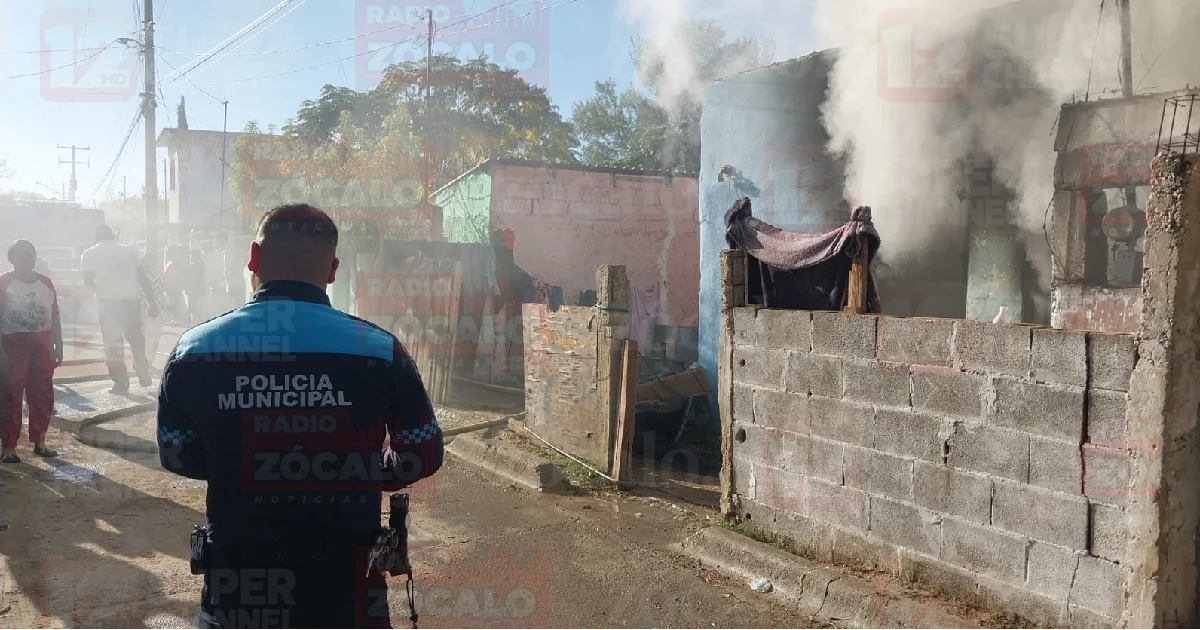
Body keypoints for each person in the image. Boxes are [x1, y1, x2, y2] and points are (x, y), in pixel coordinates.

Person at [156, 204, 444, 630]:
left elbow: (176, 454)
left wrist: (250, 466)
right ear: (333, 270)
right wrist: (353, 470)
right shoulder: (381, 351)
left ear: (253, 258)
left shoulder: (194, 351)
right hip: (348, 597)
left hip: (238, 598)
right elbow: (422, 454)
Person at [0, 240, 63, 463]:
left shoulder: (46, 283)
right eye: (21, 255)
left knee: (42, 394)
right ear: (12, 259)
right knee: (10, 395)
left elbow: (54, 316)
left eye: (30, 254)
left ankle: (40, 441)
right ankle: (8, 447)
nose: (27, 258)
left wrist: (58, 345)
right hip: (13, 346)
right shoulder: (4, 283)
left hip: (42, 346)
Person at [80, 225, 159, 394]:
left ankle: (121, 382)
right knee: (136, 339)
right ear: (113, 235)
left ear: (96, 237)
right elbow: (142, 278)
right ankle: (143, 369)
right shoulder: (130, 250)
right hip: (131, 302)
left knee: (113, 343)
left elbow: (88, 283)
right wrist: (152, 302)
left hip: (108, 303)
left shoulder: (89, 253)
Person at [140, 251, 170, 371]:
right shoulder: (160, 274)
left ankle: (139, 361)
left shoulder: (138, 275)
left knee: (141, 336)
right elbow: (165, 288)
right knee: (152, 337)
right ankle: (148, 361)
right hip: (155, 308)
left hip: (139, 307)